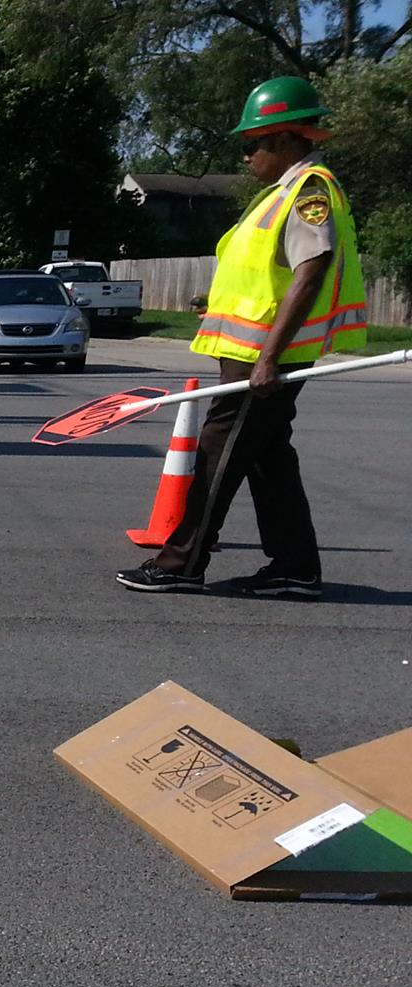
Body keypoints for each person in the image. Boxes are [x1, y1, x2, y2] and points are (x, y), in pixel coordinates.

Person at [118, 75, 366, 599]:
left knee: (217, 455)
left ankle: (181, 563)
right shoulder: (279, 194)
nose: (247, 156)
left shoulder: (308, 192)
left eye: (251, 144)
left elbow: (311, 271)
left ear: (282, 139)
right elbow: (268, 276)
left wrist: (268, 359)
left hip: (263, 359)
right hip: (253, 354)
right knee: (268, 458)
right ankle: (295, 568)